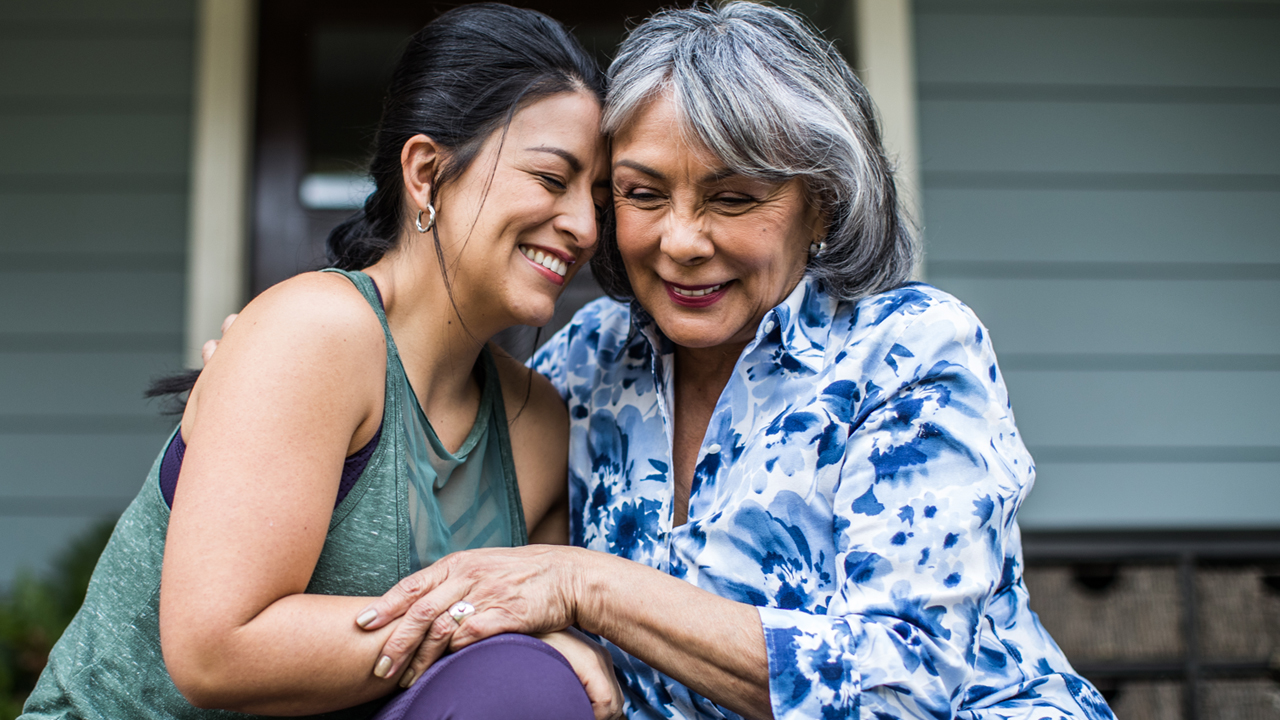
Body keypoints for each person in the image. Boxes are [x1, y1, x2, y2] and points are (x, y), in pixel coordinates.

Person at [347, 4, 1117, 720]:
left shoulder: (907, 349)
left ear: (821, 202)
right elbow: (444, 538)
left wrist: (586, 587)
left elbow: (900, 687)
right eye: (644, 194)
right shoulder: (589, 361)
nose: (680, 241)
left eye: (733, 199)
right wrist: (288, 374)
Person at [20, 5, 621, 720]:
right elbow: (217, 651)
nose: (585, 227)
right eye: (553, 179)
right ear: (427, 173)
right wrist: (488, 623)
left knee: (529, 690)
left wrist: (538, 639)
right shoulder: (318, 332)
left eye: (600, 196)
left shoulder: (537, 424)